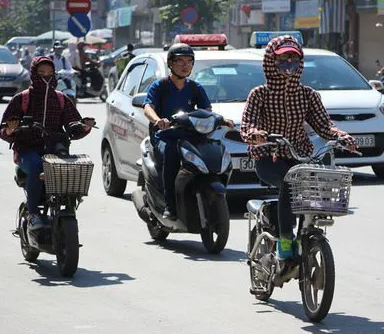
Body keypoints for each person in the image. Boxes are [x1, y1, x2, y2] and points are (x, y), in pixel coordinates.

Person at [240, 35, 357, 263]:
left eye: (294, 58)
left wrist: (343, 137)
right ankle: (285, 239)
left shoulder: (308, 95)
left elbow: (325, 126)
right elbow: (248, 123)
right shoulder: (260, 94)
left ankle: (306, 232)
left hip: (301, 156)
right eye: (283, 58)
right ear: (271, 61)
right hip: (268, 158)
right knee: (289, 182)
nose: (289, 64)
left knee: (313, 185)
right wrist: (255, 135)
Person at [0, 57, 95, 234]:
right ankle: (34, 214)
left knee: (72, 169)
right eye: (41, 73)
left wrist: (84, 126)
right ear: (34, 74)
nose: (46, 77)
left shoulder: (61, 99)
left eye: (50, 73)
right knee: (37, 165)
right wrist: (11, 130)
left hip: (55, 150)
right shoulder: (22, 99)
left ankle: (66, 209)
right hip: (26, 150)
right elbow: (3, 130)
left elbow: (73, 126)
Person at [143, 43, 233, 220]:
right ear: (170, 63)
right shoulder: (159, 86)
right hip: (166, 136)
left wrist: (221, 119)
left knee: (212, 150)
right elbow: (148, 107)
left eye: (189, 61)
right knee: (172, 156)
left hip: (191, 135)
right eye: (180, 61)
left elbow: (206, 111)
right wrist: (158, 120)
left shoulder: (195, 87)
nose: (185, 65)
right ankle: (170, 205)